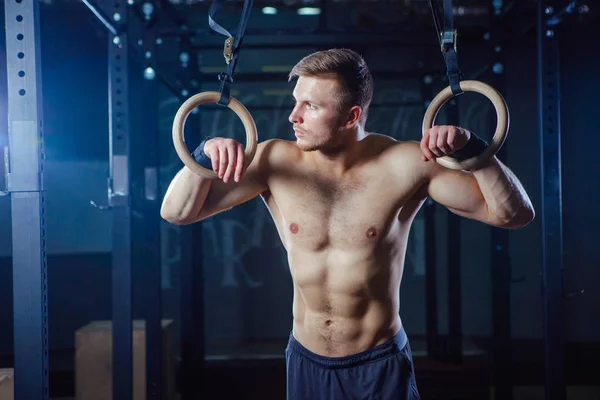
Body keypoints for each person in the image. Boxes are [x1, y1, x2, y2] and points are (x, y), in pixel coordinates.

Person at [161, 48, 535, 400]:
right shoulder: (274, 161)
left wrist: (474, 151)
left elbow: (513, 215)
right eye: (296, 102)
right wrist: (204, 153)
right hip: (306, 358)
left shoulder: (405, 164)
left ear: (352, 116)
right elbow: (177, 212)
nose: (293, 116)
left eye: (310, 106)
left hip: (378, 363)